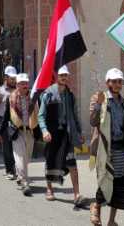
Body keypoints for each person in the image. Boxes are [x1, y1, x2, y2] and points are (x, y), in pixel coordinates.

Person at [88, 68, 124, 226]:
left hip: (120, 149)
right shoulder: (100, 98)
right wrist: (98, 105)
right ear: (107, 83)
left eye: (119, 81)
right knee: (105, 180)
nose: (117, 84)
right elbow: (93, 121)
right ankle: (96, 207)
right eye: (114, 81)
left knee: (119, 184)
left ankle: (111, 220)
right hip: (104, 148)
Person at [38, 65, 84, 205]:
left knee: (72, 163)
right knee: (50, 160)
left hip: (67, 134)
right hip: (52, 134)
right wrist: (45, 130)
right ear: (56, 76)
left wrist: (79, 132)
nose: (64, 77)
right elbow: (41, 116)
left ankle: (77, 194)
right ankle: (49, 189)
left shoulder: (70, 95)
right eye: (61, 75)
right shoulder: (48, 94)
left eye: (66, 75)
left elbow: (75, 116)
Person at [2, 73, 39, 196]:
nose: (25, 86)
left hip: (30, 131)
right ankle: (24, 182)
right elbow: (6, 115)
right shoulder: (11, 98)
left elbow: (39, 114)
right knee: (19, 157)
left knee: (27, 157)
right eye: (22, 83)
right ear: (17, 85)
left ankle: (20, 175)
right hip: (17, 132)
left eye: (26, 83)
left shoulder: (33, 98)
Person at [0, 66, 18, 180]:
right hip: (4, 121)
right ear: (6, 78)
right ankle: (10, 170)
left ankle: (17, 169)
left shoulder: (18, 89)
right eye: (12, 78)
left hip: (16, 121)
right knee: (7, 147)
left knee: (17, 147)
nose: (14, 80)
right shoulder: (0, 91)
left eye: (14, 78)